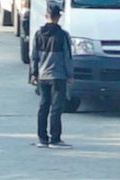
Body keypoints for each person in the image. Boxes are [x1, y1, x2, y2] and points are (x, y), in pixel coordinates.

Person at [29, 2, 70, 146]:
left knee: (43, 107)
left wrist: (34, 74)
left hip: (43, 76)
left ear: (46, 15)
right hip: (58, 76)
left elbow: (34, 56)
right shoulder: (63, 35)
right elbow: (67, 57)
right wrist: (70, 75)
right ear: (58, 17)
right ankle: (55, 138)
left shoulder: (38, 34)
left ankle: (42, 138)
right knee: (56, 108)